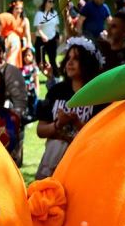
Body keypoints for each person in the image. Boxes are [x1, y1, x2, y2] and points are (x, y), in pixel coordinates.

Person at [35, 37, 103, 179]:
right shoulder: (56, 91)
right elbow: (40, 130)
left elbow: (100, 138)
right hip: (52, 164)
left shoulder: (98, 96)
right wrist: (58, 124)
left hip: (83, 165)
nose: (70, 63)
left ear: (87, 63)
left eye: (76, 59)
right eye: (68, 58)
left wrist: (77, 122)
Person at [33, 0, 60, 78]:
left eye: (53, 1)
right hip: (41, 40)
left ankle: (56, 77)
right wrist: (43, 36)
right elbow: (38, 28)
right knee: (39, 59)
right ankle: (45, 74)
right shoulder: (39, 14)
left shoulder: (54, 13)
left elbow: (56, 27)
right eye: (49, 1)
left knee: (52, 59)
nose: (51, 3)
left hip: (52, 39)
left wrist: (58, 36)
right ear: (45, 3)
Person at [21, 47, 39, 126]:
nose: (27, 57)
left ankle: (33, 116)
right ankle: (26, 117)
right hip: (24, 91)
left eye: (29, 55)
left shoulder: (34, 68)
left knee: (33, 104)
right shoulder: (21, 68)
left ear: (32, 57)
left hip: (32, 90)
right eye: (25, 56)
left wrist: (37, 89)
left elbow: (36, 79)